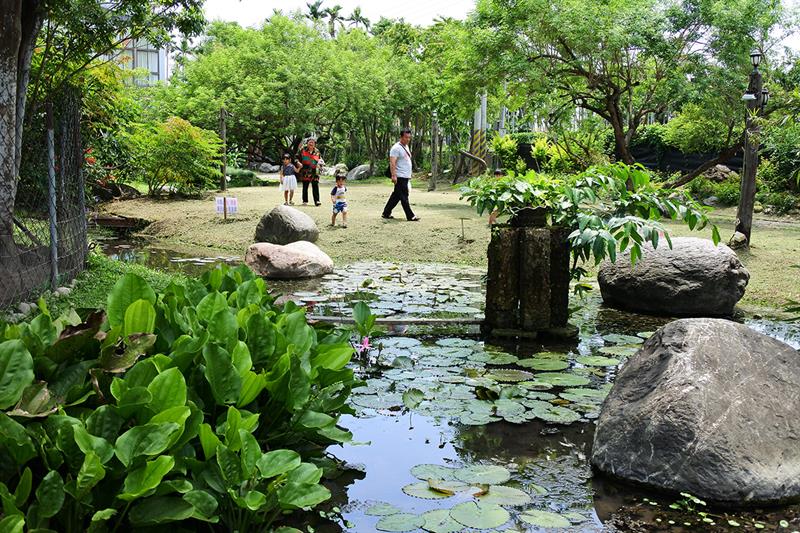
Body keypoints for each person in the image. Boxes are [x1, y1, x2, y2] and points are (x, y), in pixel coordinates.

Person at [382, 129, 420, 221]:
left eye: (409, 138)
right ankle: (410, 215)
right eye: (406, 137)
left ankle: (386, 212)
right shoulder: (396, 148)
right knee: (404, 196)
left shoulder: (406, 147)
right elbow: (392, 162)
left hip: (405, 176)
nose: (408, 139)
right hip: (400, 176)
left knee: (396, 196)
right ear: (401, 137)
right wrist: (394, 175)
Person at [297, 137, 322, 206]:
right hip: (305, 170)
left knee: (315, 185)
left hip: (315, 171)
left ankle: (317, 201)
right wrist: (298, 163)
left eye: (313, 142)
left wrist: (320, 164)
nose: (311, 143)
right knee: (305, 186)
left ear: (315, 144)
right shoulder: (302, 150)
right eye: (310, 142)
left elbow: (320, 160)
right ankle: (305, 201)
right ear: (307, 143)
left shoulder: (317, 151)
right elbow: (296, 157)